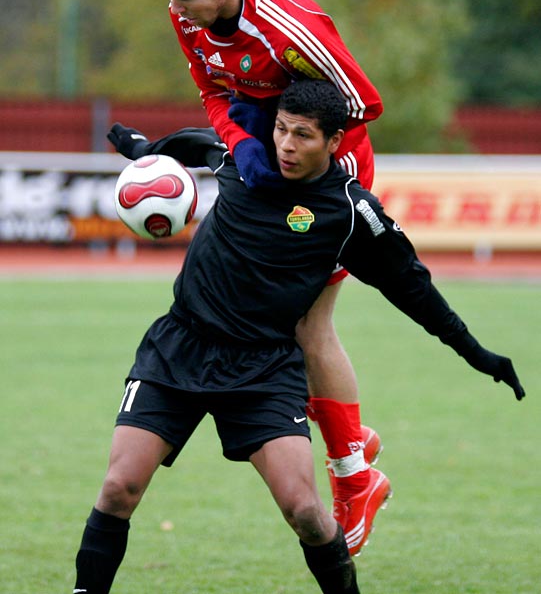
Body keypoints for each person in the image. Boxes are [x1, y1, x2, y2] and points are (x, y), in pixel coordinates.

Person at [73, 81, 525, 593]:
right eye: (281, 129)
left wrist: (478, 354)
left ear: (334, 141)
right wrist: (141, 151)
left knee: (306, 511)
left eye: (302, 135)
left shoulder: (350, 211)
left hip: (265, 369)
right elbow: (197, 144)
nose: (285, 144)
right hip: (180, 348)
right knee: (118, 489)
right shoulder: (245, 158)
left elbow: (414, 290)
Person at [142, 0, 387, 546]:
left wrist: (273, 122)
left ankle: (354, 476)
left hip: (329, 178)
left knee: (307, 326)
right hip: (268, 169)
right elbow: (212, 87)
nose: (179, 11)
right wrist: (240, 138)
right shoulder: (185, 12)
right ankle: (350, 437)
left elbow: (364, 102)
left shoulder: (285, 26)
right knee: (270, 320)